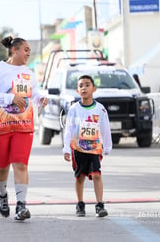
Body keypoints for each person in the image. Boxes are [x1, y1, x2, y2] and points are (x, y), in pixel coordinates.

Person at [0, 35, 47, 221]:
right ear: (14, 50)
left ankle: (21, 205)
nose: (28, 53)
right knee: (2, 166)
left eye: (29, 51)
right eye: (25, 50)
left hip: (23, 125)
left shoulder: (29, 72)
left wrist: (40, 99)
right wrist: (9, 98)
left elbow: (33, 94)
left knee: (21, 164)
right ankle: (3, 196)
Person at [62, 75, 112, 218]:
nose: (84, 88)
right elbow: (69, 129)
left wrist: (107, 146)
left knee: (97, 175)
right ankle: (80, 204)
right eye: (81, 86)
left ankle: (100, 205)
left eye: (87, 85)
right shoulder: (74, 109)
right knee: (80, 177)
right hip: (78, 148)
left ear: (94, 89)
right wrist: (66, 148)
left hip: (95, 148)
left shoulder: (100, 109)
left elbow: (105, 128)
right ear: (78, 91)